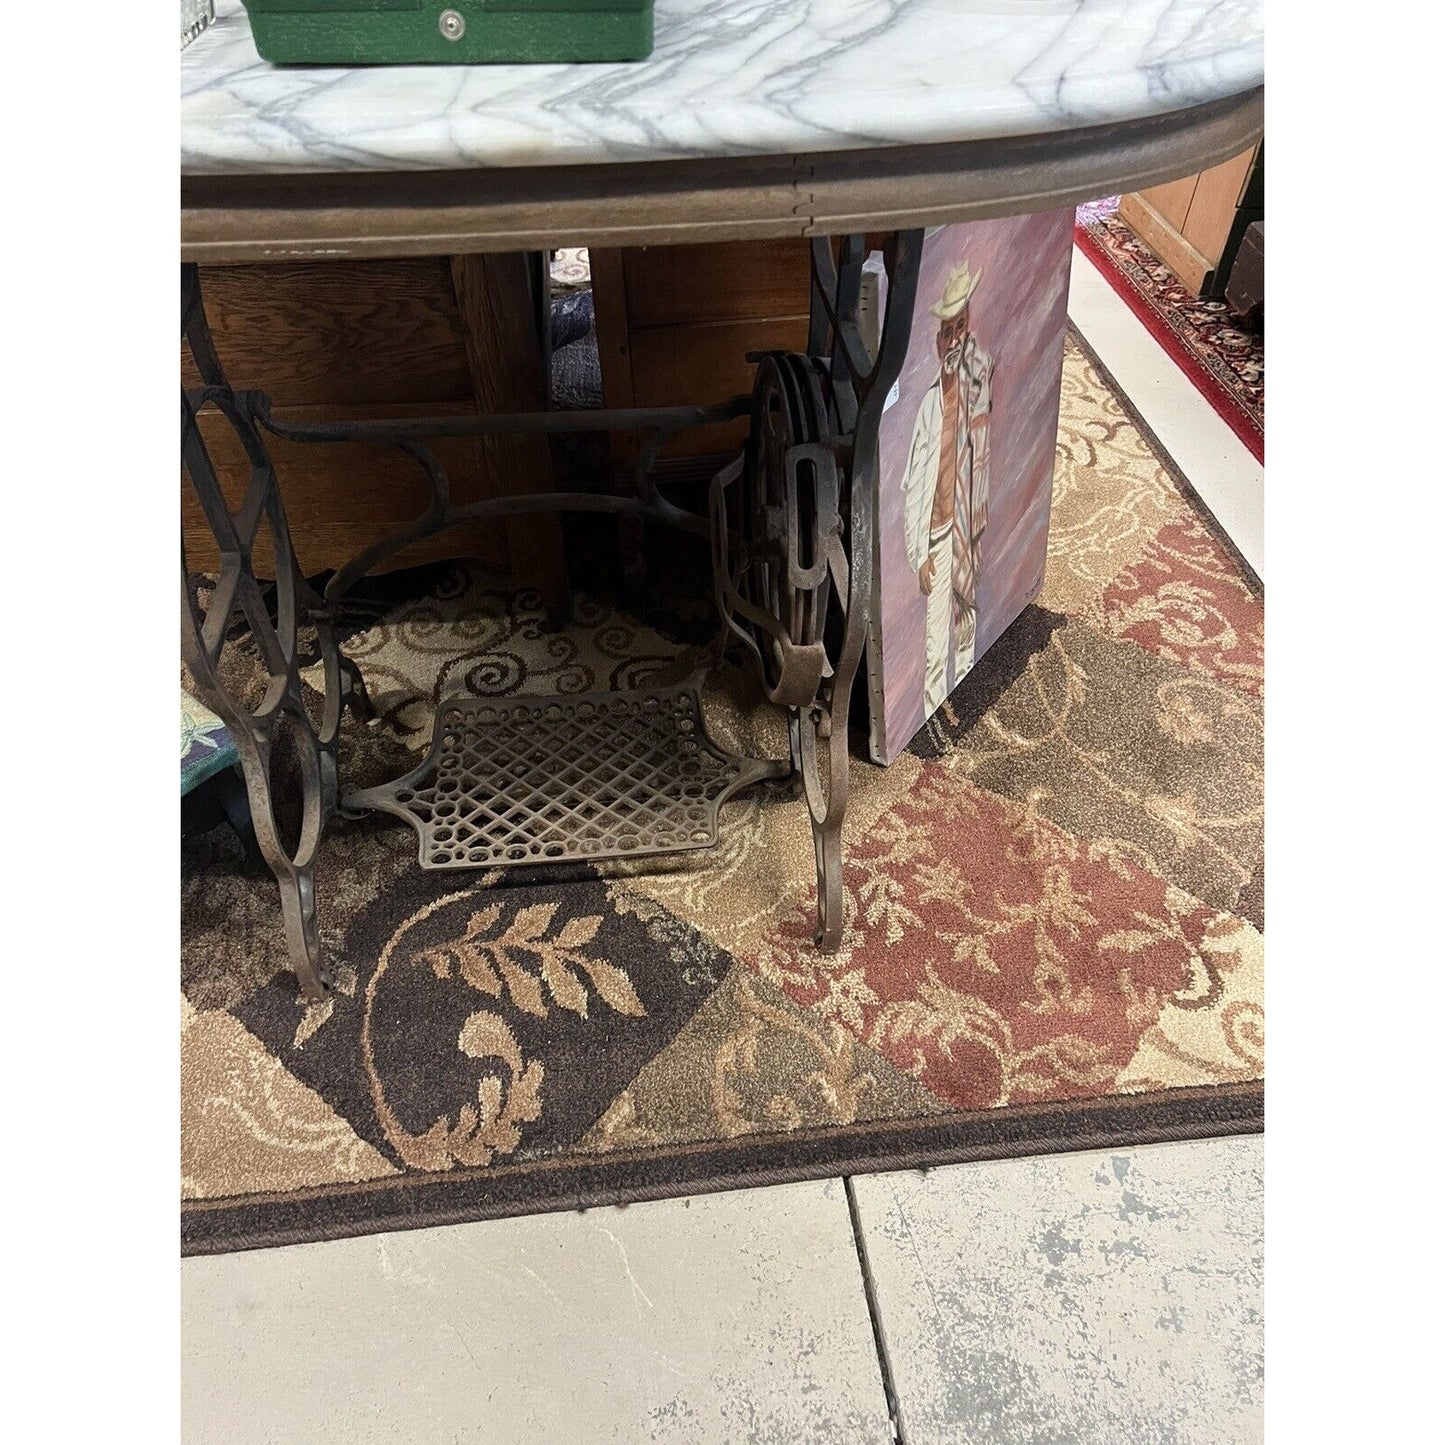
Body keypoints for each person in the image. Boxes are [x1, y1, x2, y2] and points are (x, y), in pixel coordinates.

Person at [901, 261, 995, 713]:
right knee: (936, 644)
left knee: (967, 628)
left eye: (961, 327)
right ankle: (934, 720)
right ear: (938, 341)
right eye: (948, 331)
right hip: (938, 538)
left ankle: (969, 701)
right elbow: (916, 483)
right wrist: (918, 553)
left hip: (966, 528)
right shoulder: (927, 407)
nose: (955, 338)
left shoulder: (977, 380)